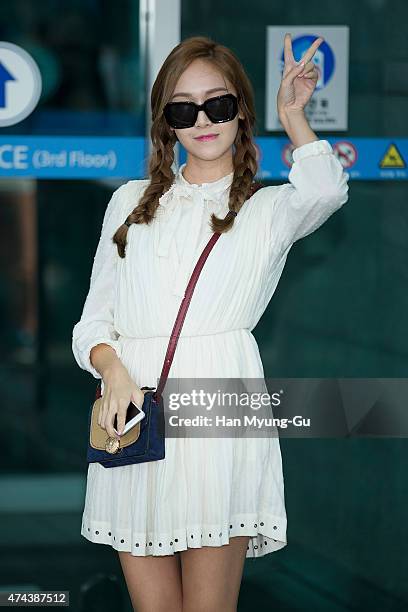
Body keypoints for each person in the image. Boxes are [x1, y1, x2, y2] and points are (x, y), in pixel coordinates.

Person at [72, 34, 349, 612]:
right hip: (134, 411)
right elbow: (94, 319)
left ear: (240, 111)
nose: (202, 120)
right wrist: (113, 368)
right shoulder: (129, 202)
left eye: (217, 104)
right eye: (183, 108)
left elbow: (324, 189)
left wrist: (294, 115)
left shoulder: (267, 210)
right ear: (166, 123)